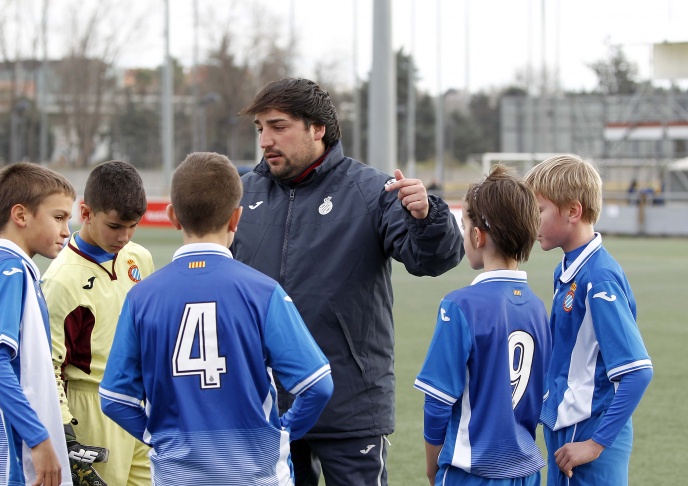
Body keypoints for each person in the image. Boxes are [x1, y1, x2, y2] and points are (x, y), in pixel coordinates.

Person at [232, 77, 465, 485]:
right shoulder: (242, 193)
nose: (265, 140)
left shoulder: (372, 190)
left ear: (316, 129)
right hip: (265, 407)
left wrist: (429, 218)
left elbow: (433, 259)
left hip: (350, 406)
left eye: (278, 126)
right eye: (260, 129)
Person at [99, 152, 334, 485]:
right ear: (237, 218)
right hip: (257, 475)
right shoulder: (263, 292)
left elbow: (114, 399)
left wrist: (158, 438)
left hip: (176, 475)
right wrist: (281, 433)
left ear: (172, 216)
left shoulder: (141, 297)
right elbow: (318, 385)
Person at [414, 164, 551, 486]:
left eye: (464, 226)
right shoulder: (537, 307)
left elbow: (437, 402)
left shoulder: (460, 305)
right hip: (527, 472)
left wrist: (433, 467)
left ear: (477, 235)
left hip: (471, 473)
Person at [524, 154, 653, 486]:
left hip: (587, 435)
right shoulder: (566, 270)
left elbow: (637, 372)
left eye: (538, 211)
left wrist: (595, 444)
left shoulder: (599, 280)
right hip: (565, 428)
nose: (531, 221)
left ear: (573, 211)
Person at [41, 160, 154, 485]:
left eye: (133, 225)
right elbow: (50, 365)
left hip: (139, 404)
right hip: (92, 406)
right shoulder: (61, 280)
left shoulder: (139, 257)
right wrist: (66, 434)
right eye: (116, 226)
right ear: (86, 213)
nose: (126, 236)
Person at [0, 162, 76, 486]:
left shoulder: (8, 269)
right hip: (13, 462)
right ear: (21, 215)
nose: (67, 230)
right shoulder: (9, 272)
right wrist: (39, 439)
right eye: (59, 217)